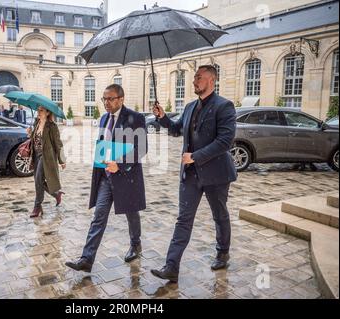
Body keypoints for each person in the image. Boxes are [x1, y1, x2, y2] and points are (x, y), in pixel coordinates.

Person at [150, 65, 237, 282]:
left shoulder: (224, 106)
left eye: (199, 77)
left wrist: (196, 156)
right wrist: (163, 118)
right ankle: (171, 266)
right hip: (190, 175)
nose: (194, 81)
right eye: (194, 77)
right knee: (183, 219)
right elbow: (177, 129)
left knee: (220, 216)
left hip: (217, 175)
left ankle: (222, 252)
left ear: (211, 80)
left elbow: (225, 141)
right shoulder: (189, 107)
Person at [65, 84, 148, 272]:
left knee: (131, 213)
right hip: (106, 177)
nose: (106, 103)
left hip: (126, 176)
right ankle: (87, 259)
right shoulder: (103, 118)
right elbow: (103, 143)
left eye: (110, 99)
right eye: (104, 99)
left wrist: (119, 163)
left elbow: (142, 148)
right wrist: (101, 158)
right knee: (98, 216)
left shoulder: (136, 118)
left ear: (121, 99)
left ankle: (136, 244)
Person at [27, 107, 66, 218]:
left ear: (48, 112)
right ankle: (56, 194)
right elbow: (35, 140)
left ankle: (37, 206)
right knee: (38, 180)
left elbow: (58, 144)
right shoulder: (36, 123)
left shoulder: (52, 126)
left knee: (38, 179)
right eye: (38, 110)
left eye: (41, 110)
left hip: (46, 157)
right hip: (36, 156)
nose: (38, 112)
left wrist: (62, 160)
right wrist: (30, 134)